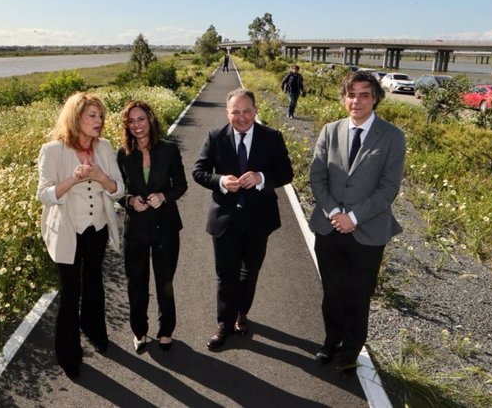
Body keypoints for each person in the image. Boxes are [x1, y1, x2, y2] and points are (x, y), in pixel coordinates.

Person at [309, 71, 405, 378]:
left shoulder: (392, 136)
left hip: (368, 230)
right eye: (351, 94)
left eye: (364, 94)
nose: (356, 101)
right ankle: (330, 341)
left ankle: (351, 351)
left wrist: (353, 217)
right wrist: (335, 212)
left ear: (375, 98)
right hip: (329, 226)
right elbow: (317, 177)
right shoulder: (329, 131)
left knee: (359, 293)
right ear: (343, 98)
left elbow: (388, 188)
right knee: (332, 291)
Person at [193, 88, 293, 350]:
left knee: (249, 273)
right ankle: (223, 324)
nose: (241, 117)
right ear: (227, 114)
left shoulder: (272, 137)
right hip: (225, 219)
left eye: (247, 111)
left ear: (255, 111)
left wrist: (261, 178)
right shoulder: (215, 137)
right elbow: (199, 171)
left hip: (259, 220)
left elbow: (285, 173)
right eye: (235, 112)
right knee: (225, 274)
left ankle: (241, 313)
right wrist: (221, 181)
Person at [36, 92, 124, 379]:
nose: (99, 121)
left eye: (101, 116)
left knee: (95, 281)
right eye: (93, 116)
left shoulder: (105, 147)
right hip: (67, 232)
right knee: (70, 291)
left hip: (96, 229)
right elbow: (44, 195)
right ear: (76, 118)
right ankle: (69, 354)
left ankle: (95, 330)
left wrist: (99, 176)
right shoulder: (52, 150)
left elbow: (118, 190)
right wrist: (72, 179)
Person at [117, 101, 188, 353]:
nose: (137, 125)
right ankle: (140, 331)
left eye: (141, 119)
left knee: (164, 281)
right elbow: (118, 190)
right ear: (127, 126)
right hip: (135, 229)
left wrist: (164, 197)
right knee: (136, 282)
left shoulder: (168, 150)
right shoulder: (122, 153)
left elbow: (181, 184)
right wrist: (129, 201)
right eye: (131, 121)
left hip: (166, 227)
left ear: (151, 119)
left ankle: (166, 330)